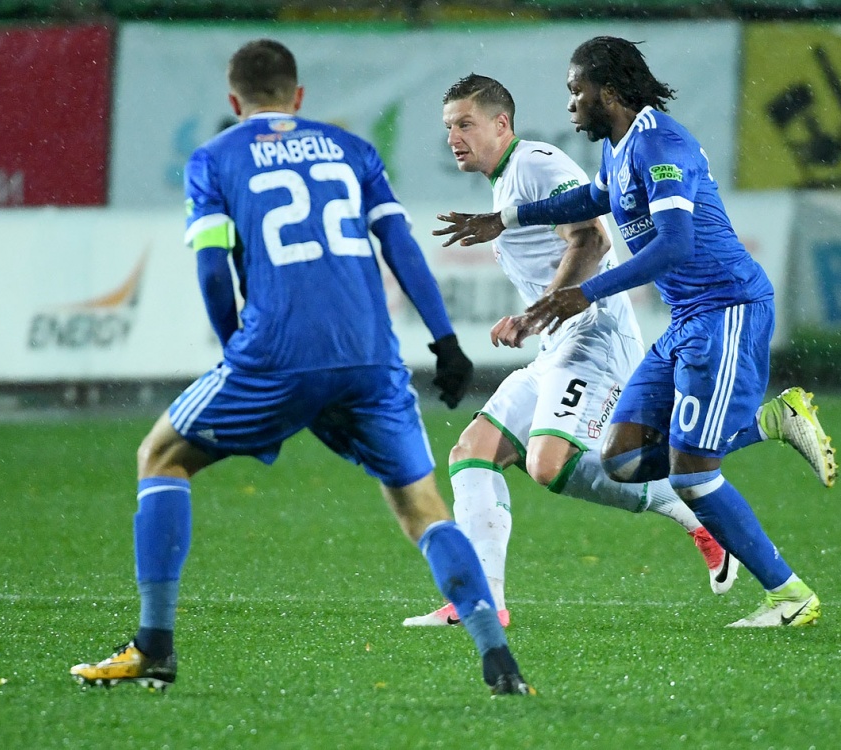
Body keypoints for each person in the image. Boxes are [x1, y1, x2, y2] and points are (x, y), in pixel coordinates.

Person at [70, 39, 533, 696]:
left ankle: (154, 646)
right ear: (299, 96)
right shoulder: (351, 149)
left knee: (161, 456)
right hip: (369, 357)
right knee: (422, 507)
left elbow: (212, 267)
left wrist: (235, 347)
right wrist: (445, 342)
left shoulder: (215, 159)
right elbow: (399, 244)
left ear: (235, 103)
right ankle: (499, 659)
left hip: (276, 352)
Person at [435, 36, 836, 628]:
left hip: (726, 308)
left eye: (577, 91)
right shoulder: (619, 148)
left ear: (608, 92)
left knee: (691, 471)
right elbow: (592, 198)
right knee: (623, 461)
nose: (570, 104)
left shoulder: (660, 145)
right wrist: (506, 218)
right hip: (686, 320)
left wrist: (580, 293)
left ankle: (790, 595)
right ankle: (766, 425)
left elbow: (675, 245)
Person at [405, 73, 738, 628]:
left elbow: (592, 236)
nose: (453, 138)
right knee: (472, 454)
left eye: (465, 124)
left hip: (594, 336)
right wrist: (541, 319)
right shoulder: (507, 181)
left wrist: (537, 312)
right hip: (558, 344)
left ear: (501, 124)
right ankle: (482, 602)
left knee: (546, 464)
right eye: (448, 128)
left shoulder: (535, 165)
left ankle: (690, 508)